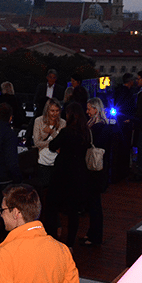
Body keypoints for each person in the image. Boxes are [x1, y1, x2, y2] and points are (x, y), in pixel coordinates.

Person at [45, 102, 89, 245]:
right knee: (73, 211)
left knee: (52, 205)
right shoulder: (85, 132)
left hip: (62, 171)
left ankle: (53, 237)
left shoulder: (66, 132)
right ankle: (70, 243)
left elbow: (52, 146)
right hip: (78, 172)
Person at [84, 98, 108, 245]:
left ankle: (95, 236)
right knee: (94, 203)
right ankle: (92, 234)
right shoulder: (102, 125)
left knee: (94, 203)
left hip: (94, 169)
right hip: (99, 169)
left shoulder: (96, 127)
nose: (87, 112)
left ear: (95, 109)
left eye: (89, 109)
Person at [32, 98, 65, 188]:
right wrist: (52, 145)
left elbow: (62, 142)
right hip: (42, 161)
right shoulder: (39, 121)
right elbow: (37, 142)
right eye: (52, 111)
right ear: (47, 110)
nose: (55, 113)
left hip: (57, 162)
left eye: (57, 111)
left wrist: (52, 132)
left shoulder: (63, 123)